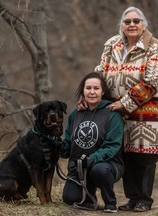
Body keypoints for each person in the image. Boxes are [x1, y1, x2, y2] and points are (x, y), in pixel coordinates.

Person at [78, 6, 158, 212]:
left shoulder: (155, 46)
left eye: (136, 21)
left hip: (146, 112)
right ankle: (132, 198)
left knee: (145, 156)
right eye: (127, 22)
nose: (132, 25)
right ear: (121, 25)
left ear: (144, 24)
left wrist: (125, 103)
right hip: (115, 111)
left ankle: (144, 198)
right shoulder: (112, 44)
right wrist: (88, 95)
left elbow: (152, 82)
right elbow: (99, 72)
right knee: (125, 153)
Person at [60, 72, 125, 213]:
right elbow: (68, 145)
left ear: (103, 92)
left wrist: (92, 159)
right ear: (83, 91)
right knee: (70, 198)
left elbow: (112, 145)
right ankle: (88, 196)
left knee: (99, 170)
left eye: (96, 88)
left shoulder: (112, 113)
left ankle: (110, 202)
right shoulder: (75, 114)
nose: (92, 92)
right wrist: (55, 145)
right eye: (88, 88)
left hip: (108, 165)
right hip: (79, 168)